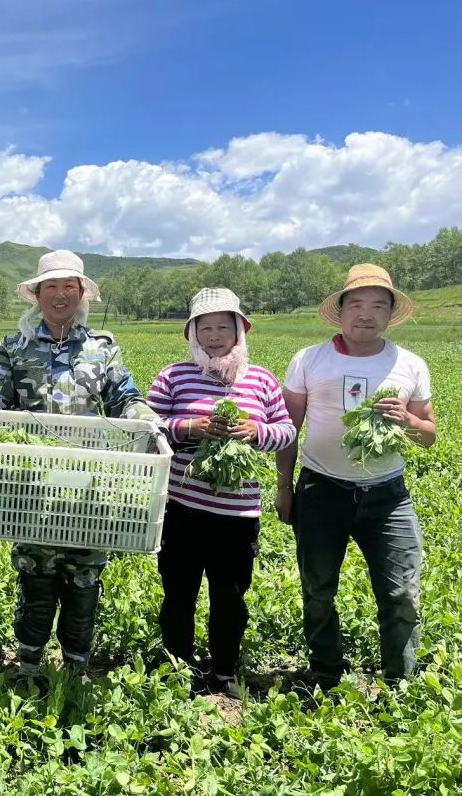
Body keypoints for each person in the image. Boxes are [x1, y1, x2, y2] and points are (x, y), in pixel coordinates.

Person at [0, 250, 161, 681]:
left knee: (84, 580)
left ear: (82, 293)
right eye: (50, 286)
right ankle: (29, 668)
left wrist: (146, 419)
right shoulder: (15, 347)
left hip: (89, 487)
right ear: (36, 295)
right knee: (36, 579)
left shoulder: (101, 348)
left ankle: (75, 670)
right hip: (31, 485)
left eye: (69, 286)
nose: (60, 294)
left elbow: (125, 396)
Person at [275, 264, 435, 690]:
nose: (367, 313)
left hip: (388, 496)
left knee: (401, 592)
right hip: (321, 488)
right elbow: (290, 429)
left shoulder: (410, 364)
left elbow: (429, 435)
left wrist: (407, 421)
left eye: (378, 306)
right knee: (318, 588)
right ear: (341, 310)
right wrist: (284, 487)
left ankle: (399, 681)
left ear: (390, 314)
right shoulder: (309, 359)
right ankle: (325, 672)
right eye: (358, 304)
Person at [147, 288, 295, 697]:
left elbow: (286, 431)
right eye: (204, 328)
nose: (214, 336)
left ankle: (224, 669)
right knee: (178, 592)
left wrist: (255, 431)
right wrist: (188, 428)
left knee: (230, 595)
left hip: (238, 512)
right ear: (192, 334)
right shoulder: (173, 376)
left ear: (240, 331)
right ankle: (178, 666)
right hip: (181, 506)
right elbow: (146, 426)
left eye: (223, 327)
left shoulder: (262, 379)